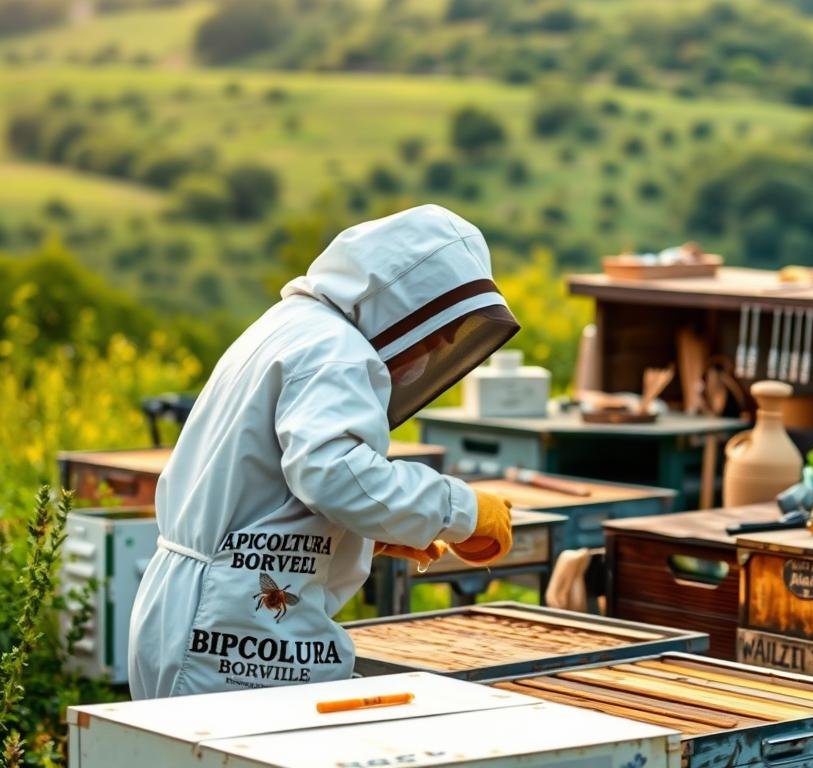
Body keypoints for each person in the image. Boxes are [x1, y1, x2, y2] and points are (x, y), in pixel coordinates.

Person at [128, 204, 520, 699]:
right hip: (234, 622)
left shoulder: (295, 326)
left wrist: (358, 535)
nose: (438, 346)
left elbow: (267, 488)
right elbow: (334, 475)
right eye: (437, 331)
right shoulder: (336, 351)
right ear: (407, 303)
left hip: (208, 603)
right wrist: (461, 509)